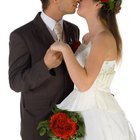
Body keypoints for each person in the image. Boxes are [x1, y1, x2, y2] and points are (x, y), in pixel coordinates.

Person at [50, 0, 137, 139]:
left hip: (96, 111)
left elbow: (84, 84)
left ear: (98, 4)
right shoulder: (87, 37)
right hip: (80, 102)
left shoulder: (103, 38)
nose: (79, 0)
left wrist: (65, 49)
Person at [8, 0, 80, 140]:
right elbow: (15, 82)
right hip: (38, 125)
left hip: (72, 123)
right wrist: (45, 65)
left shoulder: (73, 30)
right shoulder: (21, 35)